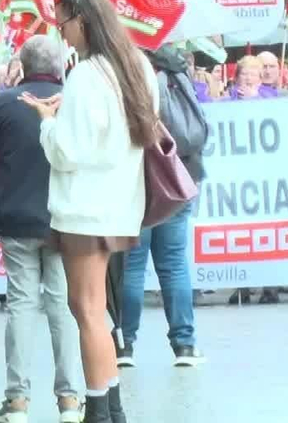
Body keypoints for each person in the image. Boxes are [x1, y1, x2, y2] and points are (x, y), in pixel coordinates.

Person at [21, 0, 157, 423]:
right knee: (96, 310)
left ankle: (99, 406)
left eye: (63, 22)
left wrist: (48, 122)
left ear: (82, 20)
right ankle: (110, 403)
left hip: (83, 207)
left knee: (87, 311)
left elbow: (66, 151)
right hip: (121, 203)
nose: (62, 33)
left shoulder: (84, 75)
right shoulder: (136, 66)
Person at [0, 35, 84, 423]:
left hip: (16, 218)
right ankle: (69, 400)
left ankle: (17, 400)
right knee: (63, 307)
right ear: (61, 64)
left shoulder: (2, 103)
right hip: (64, 219)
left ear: (23, 65)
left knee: (20, 305)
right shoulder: (74, 102)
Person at [116, 44, 207, 367]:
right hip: (180, 177)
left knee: (132, 265)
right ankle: (185, 345)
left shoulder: (128, 74)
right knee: (174, 263)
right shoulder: (177, 73)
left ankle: (124, 345)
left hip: (138, 180)